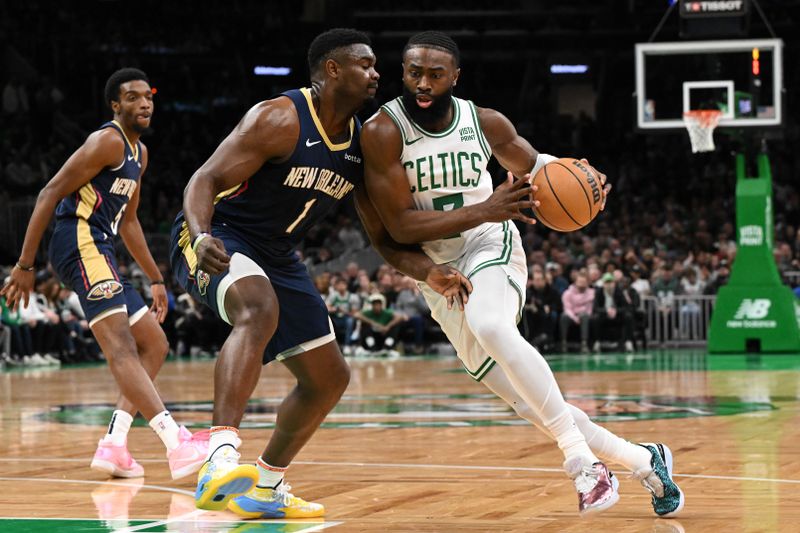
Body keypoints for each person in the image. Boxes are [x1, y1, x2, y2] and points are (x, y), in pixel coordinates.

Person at [359, 31, 683, 517]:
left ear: (455, 77)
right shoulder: (383, 131)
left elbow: (540, 166)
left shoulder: (484, 122)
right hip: (438, 269)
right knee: (530, 403)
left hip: (491, 244)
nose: (422, 83)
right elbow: (400, 226)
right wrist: (473, 222)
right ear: (402, 71)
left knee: (491, 324)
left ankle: (583, 463)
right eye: (413, 72)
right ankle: (644, 459)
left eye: (434, 74)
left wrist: (588, 183)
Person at [170, 29, 475, 518]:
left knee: (328, 378)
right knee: (258, 307)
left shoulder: (363, 141)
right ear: (333, 69)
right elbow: (204, 178)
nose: (378, 74)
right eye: (367, 64)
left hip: (277, 253)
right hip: (220, 235)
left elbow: (382, 235)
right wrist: (201, 233)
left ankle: (264, 489)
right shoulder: (279, 118)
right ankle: (218, 459)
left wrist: (428, 271)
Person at [0, 68, 209, 479]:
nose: (144, 103)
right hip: (77, 240)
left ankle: (115, 444)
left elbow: (129, 222)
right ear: (116, 105)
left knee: (155, 343)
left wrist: (154, 277)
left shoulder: (139, 155)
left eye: (147, 95)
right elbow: (49, 192)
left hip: (102, 247)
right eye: (132, 97)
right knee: (121, 348)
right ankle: (176, 442)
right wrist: (25, 265)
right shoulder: (107, 141)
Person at [590, 272, 635, 353]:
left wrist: (616, 310)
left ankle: (628, 341)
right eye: (607, 282)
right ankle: (597, 342)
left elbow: (626, 307)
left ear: (614, 283)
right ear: (603, 283)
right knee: (595, 318)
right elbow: (595, 308)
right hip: (604, 316)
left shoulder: (619, 291)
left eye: (610, 282)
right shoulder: (598, 292)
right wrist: (606, 310)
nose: (609, 284)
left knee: (628, 316)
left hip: (617, 316)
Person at [560, 272, 595, 354]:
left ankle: (584, 344)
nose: (581, 284)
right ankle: (563, 343)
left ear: (587, 283)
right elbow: (567, 309)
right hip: (571, 315)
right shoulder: (567, 293)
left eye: (584, 282)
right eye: (580, 282)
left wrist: (582, 314)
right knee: (564, 316)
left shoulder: (592, 293)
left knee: (585, 316)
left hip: (584, 315)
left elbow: (589, 309)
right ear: (575, 282)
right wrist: (575, 318)